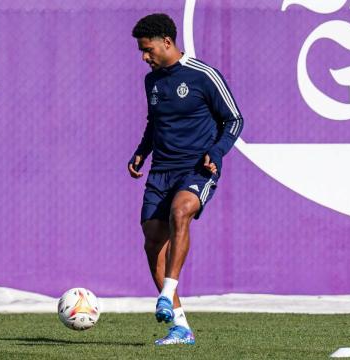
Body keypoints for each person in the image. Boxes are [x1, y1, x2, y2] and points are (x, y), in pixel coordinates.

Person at [128, 13, 243, 346]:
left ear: (167, 42)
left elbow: (234, 119)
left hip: (196, 169)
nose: (144, 57)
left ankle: (167, 292)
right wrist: (141, 153)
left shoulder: (203, 75)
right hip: (160, 170)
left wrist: (217, 152)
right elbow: (154, 123)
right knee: (152, 239)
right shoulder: (152, 82)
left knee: (181, 213)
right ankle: (180, 327)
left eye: (147, 50)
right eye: (141, 51)